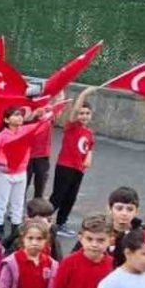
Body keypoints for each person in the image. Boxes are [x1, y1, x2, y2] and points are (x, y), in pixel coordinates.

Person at [51, 90, 95, 230]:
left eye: (87, 113)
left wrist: (88, 158)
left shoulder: (89, 132)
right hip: (65, 166)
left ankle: (61, 223)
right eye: (81, 113)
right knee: (58, 196)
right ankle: (42, 219)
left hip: (79, 168)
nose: (84, 116)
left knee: (71, 197)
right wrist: (83, 95)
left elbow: (90, 147)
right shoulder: (72, 126)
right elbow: (74, 111)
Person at [0, 106, 31, 242]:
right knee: (1, 202)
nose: (19, 117)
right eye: (15, 115)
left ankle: (16, 229)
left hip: (21, 173)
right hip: (5, 174)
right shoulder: (2, 136)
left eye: (20, 115)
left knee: (18, 202)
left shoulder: (25, 132)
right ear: (6, 120)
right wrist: (5, 162)